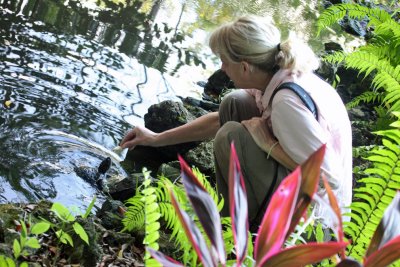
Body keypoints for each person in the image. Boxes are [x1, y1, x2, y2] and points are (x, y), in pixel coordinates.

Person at [120, 15, 352, 230]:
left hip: (315, 223)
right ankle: (238, 217)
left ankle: (237, 233)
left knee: (230, 135)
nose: (221, 68)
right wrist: (155, 139)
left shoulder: (287, 104)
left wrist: (268, 143)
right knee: (235, 103)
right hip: (300, 192)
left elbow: (328, 179)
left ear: (244, 66)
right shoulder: (276, 74)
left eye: (224, 61)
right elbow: (216, 121)